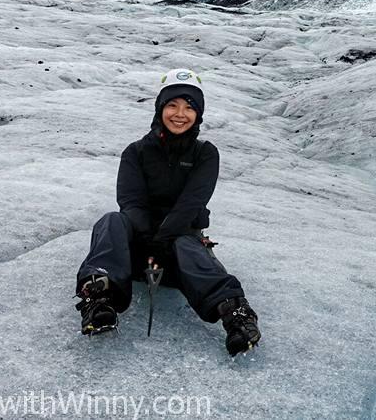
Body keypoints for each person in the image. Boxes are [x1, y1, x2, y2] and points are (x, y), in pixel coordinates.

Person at [75, 68, 261, 356]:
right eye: (172, 105)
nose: (180, 113)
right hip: (136, 251)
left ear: (198, 114)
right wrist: (150, 239)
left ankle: (236, 315)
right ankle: (99, 299)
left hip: (179, 256)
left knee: (186, 243)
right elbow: (130, 201)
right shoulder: (135, 152)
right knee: (111, 220)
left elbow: (192, 203)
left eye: (189, 107)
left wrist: (165, 239)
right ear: (160, 108)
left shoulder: (205, 154)